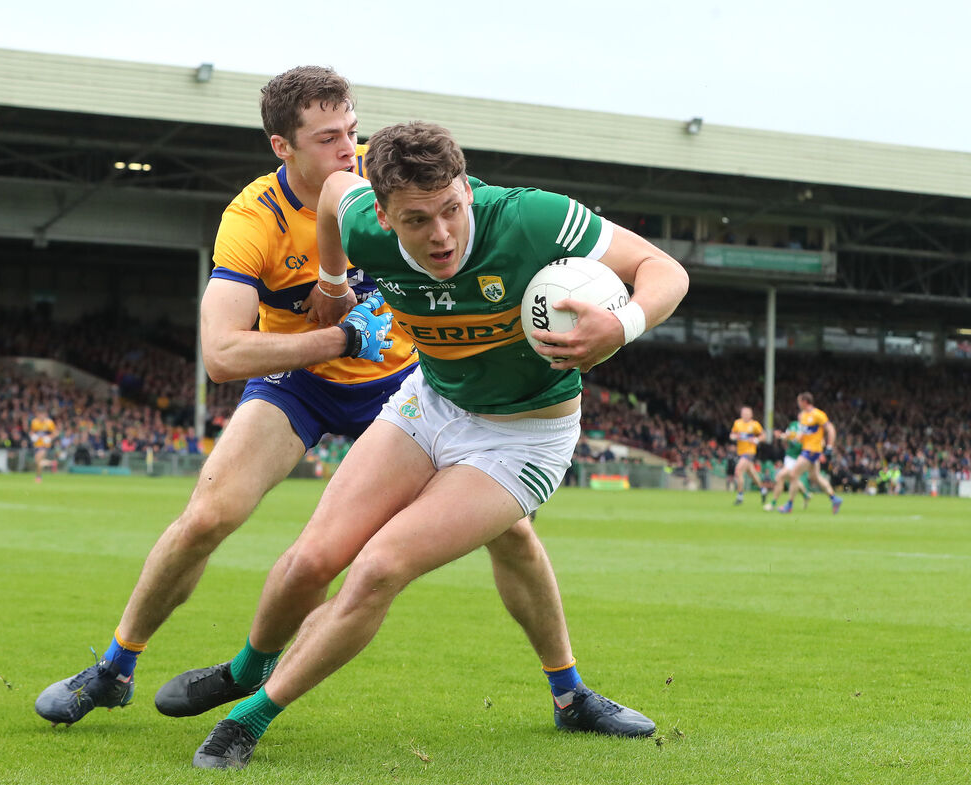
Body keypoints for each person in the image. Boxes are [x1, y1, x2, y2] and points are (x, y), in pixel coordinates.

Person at [34, 69, 583, 731]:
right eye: (328, 138)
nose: (349, 148)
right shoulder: (253, 218)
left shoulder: (385, 191)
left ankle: (570, 692)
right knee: (210, 514)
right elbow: (223, 354)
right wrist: (337, 337)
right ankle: (116, 667)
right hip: (301, 382)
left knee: (512, 532)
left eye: (353, 130)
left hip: (402, 383)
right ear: (281, 147)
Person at [190, 121, 689, 769]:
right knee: (312, 559)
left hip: (524, 437)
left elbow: (664, 269)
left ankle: (247, 718)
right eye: (417, 220)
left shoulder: (530, 219)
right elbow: (335, 193)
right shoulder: (364, 216)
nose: (442, 234)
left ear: (466, 189)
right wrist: (334, 282)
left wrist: (622, 324)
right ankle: (245, 667)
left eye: (452, 209)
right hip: (431, 403)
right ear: (387, 215)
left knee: (377, 567)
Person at [780, 392, 842, 514]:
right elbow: (802, 436)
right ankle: (835, 499)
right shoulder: (803, 416)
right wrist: (788, 436)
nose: (798, 404)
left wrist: (829, 446)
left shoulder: (818, 414)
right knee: (815, 477)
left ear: (804, 401)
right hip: (808, 449)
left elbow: (831, 429)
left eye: (799, 401)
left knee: (793, 474)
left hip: (812, 450)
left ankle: (789, 505)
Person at [763, 419, 811, 512]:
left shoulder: (809, 428)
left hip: (799, 458)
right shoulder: (793, 424)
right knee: (793, 478)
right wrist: (781, 436)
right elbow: (787, 436)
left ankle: (773, 503)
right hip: (789, 457)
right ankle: (805, 495)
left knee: (780, 477)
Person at [728, 406, 768, 506]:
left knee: (738, 470)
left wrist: (756, 440)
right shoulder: (737, 423)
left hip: (749, 452)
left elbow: (764, 436)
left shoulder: (755, 425)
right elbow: (732, 435)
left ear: (751, 415)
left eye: (748, 413)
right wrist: (734, 437)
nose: (746, 415)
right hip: (740, 452)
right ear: (741, 414)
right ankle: (763, 490)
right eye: (744, 413)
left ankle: (740, 496)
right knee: (752, 474)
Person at [29, 408, 58, 482]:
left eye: (42, 414)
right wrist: (33, 436)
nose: (41, 416)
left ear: (45, 414)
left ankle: (38, 477)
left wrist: (49, 437)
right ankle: (52, 463)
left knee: (38, 459)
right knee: (38, 461)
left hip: (45, 445)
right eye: (39, 414)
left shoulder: (49, 422)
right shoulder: (34, 422)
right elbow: (31, 432)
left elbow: (55, 433)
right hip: (37, 444)